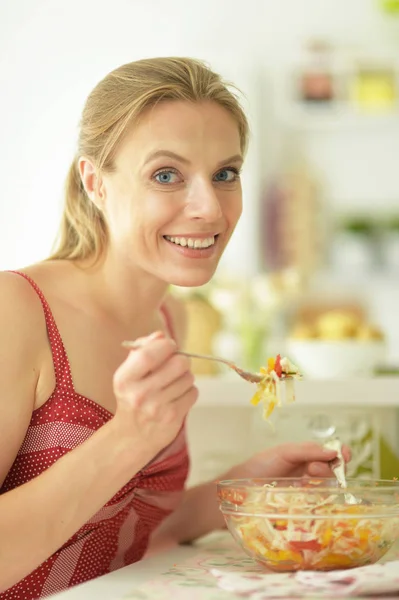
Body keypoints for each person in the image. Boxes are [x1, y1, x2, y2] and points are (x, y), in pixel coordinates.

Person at [0, 57, 349, 599]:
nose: (209, 208)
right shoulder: (16, 309)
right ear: (95, 183)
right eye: (167, 175)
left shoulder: (172, 318)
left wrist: (241, 488)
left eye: (225, 174)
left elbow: (118, 528)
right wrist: (127, 436)